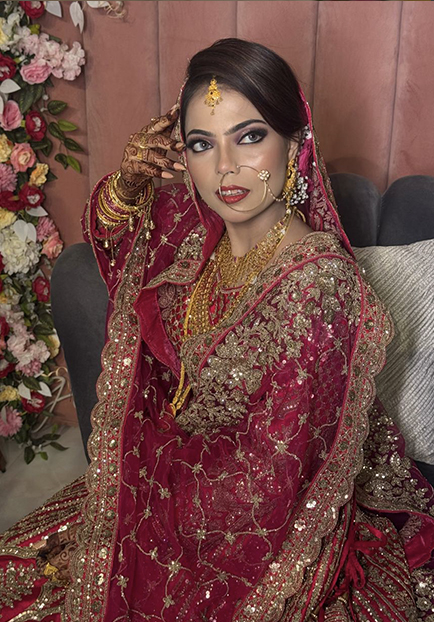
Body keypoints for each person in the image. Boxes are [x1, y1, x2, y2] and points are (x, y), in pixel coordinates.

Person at [1, 38, 434, 622]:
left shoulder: (318, 284)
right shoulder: (197, 233)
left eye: (249, 136)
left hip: (260, 521)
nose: (225, 167)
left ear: (295, 143)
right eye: (202, 144)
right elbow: (110, 236)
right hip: (169, 481)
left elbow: (272, 479)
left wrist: (143, 515)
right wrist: (129, 181)